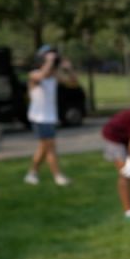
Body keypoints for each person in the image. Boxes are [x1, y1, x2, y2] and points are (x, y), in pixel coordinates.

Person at [23, 45, 77, 186]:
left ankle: (32, 174)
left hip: (50, 117)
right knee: (50, 147)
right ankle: (58, 176)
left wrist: (69, 69)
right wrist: (49, 60)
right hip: (39, 118)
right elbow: (42, 75)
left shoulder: (54, 76)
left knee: (43, 148)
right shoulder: (34, 74)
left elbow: (73, 83)